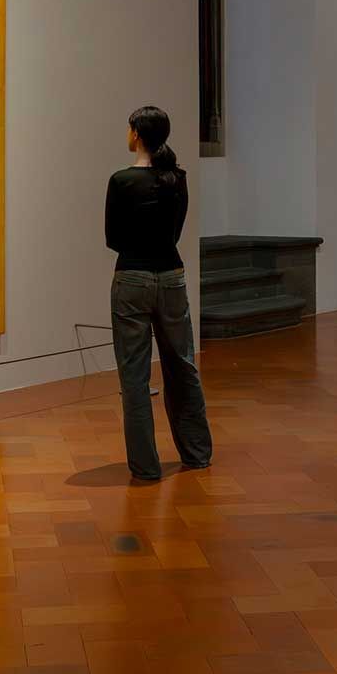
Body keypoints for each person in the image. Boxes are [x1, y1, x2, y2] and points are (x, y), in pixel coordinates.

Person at [105, 105, 213, 481]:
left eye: (128, 128)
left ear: (136, 133)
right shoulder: (176, 178)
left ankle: (146, 468)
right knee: (182, 366)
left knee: (134, 377)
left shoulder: (121, 181)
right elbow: (175, 233)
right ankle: (197, 453)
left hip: (131, 279)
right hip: (171, 277)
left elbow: (113, 238)